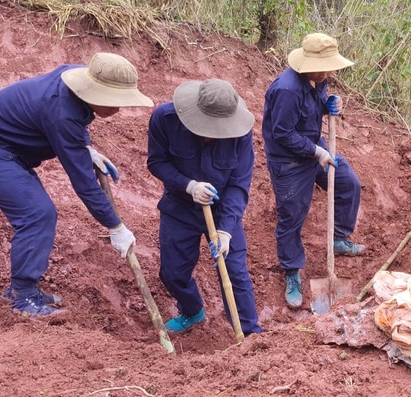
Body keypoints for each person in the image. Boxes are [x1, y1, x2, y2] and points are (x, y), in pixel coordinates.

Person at [0, 52, 152, 318]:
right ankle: (23, 298)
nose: (117, 110)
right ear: (92, 91)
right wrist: (115, 226)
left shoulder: (77, 78)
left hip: (4, 148)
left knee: (39, 213)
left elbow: (75, 125)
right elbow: (83, 183)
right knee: (36, 213)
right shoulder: (61, 112)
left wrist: (86, 148)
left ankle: (20, 290)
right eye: (112, 101)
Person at [146, 78, 263, 336]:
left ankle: (251, 336)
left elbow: (238, 185)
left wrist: (226, 231)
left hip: (223, 210)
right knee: (172, 271)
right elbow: (156, 162)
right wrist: (188, 186)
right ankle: (192, 310)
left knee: (234, 273)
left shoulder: (242, 134)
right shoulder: (165, 119)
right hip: (180, 204)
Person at [262, 32, 365, 308]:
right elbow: (282, 133)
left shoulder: (318, 78)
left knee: (348, 183)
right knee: (292, 216)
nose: (331, 71)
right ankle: (292, 272)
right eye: (327, 66)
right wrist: (316, 152)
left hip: (314, 146)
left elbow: (314, 108)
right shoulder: (286, 90)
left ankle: (339, 238)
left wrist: (330, 105)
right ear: (309, 64)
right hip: (289, 161)